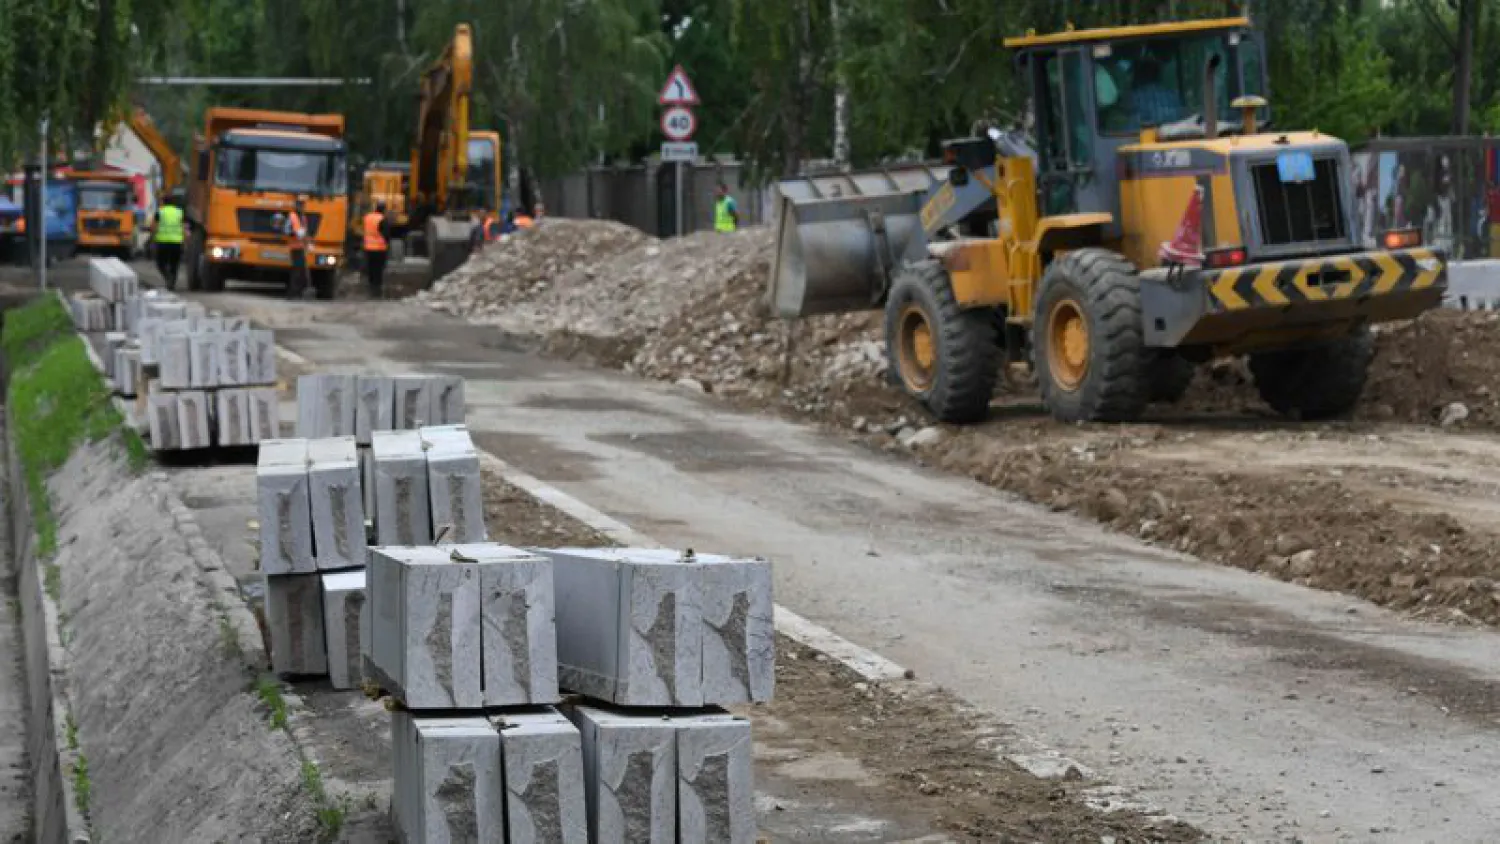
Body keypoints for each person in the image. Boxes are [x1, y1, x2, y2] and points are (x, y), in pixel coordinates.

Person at [1130, 54, 1182, 128]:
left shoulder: (1136, 97)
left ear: (1139, 75)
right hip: (1175, 137)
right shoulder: (1173, 95)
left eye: (1134, 74)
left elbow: (1129, 129)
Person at [152, 191, 186, 290]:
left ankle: (168, 277)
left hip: (162, 242)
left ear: (164, 202)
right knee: (174, 264)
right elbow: (183, 227)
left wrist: (153, 238)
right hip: (176, 243)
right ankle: (172, 283)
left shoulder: (160, 212)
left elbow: (154, 227)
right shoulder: (179, 212)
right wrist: (184, 241)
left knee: (160, 263)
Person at [284, 195, 313, 298]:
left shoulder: (303, 217)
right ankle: (292, 293)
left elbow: (306, 232)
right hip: (294, 247)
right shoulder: (292, 216)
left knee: (301, 271)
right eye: (299, 204)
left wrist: (308, 243)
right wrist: (295, 233)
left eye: (302, 205)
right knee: (297, 271)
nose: (301, 206)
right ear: (296, 205)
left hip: (301, 247)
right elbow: (286, 231)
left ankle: (299, 292)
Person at [363, 200, 390, 298]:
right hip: (379, 248)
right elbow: (386, 234)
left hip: (368, 248)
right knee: (378, 269)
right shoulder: (382, 219)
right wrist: (387, 244)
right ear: (383, 209)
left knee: (370, 268)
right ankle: (377, 289)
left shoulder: (368, 217)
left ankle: (371, 286)